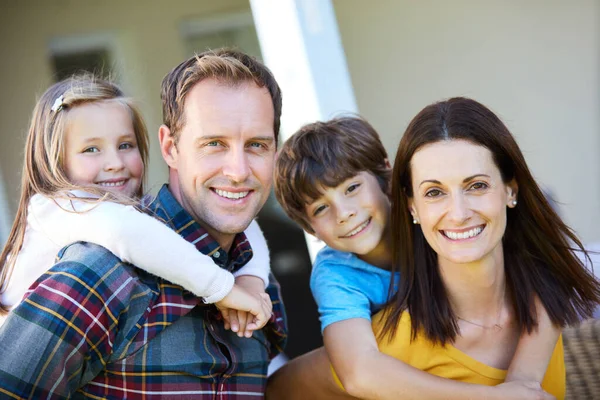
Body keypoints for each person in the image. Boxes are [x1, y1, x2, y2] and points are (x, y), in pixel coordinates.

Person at [0, 49, 287, 398]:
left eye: (257, 145)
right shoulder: (97, 271)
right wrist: (223, 289)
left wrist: (252, 280)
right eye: (214, 143)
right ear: (170, 147)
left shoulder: (254, 278)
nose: (238, 172)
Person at [268, 114, 598, 399]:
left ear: (387, 177)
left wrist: (521, 382)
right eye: (321, 208)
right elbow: (358, 372)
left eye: (352, 188)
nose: (344, 213)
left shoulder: (433, 226)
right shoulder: (337, 274)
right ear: (309, 228)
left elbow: (542, 270)